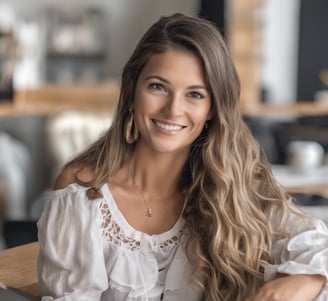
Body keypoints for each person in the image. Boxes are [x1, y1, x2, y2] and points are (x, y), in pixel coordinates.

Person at [37, 13, 328, 301]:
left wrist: (288, 288)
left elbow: (317, 246)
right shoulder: (82, 195)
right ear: (132, 90)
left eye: (195, 94)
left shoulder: (230, 186)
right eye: (158, 87)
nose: (173, 110)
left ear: (212, 108)